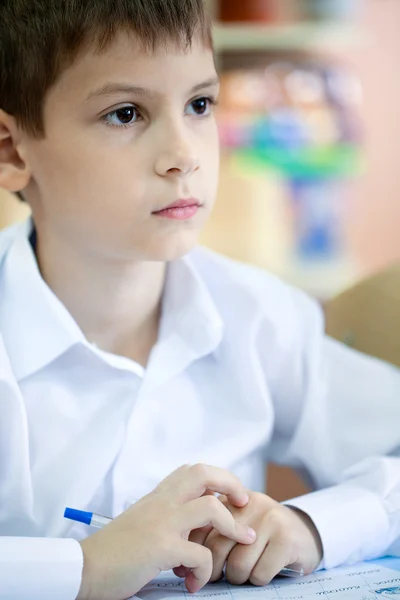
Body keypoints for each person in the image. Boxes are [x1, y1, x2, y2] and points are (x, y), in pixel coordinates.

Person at [0, 1, 399, 599]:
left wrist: (312, 525)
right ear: (11, 150)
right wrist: (83, 569)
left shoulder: (259, 313)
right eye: (126, 113)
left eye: (199, 105)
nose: (184, 154)